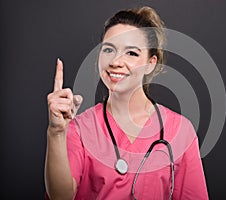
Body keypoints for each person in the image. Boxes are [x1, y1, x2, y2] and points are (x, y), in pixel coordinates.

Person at [45, 6, 209, 200]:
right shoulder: (79, 128)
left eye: (131, 53)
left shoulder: (181, 131)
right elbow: (60, 197)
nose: (115, 61)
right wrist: (55, 132)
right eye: (108, 50)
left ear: (151, 63)